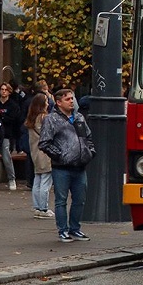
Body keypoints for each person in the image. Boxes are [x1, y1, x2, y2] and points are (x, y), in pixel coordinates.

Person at [38, 89, 95, 242]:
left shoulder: (79, 117)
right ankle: (63, 230)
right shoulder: (51, 119)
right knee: (61, 200)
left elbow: (87, 137)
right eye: (68, 99)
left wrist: (90, 151)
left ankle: (75, 229)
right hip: (62, 168)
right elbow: (44, 142)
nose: (72, 101)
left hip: (80, 166)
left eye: (72, 98)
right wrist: (59, 155)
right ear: (58, 102)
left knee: (79, 200)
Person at [22, 92, 54, 219]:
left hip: (35, 152)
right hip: (45, 154)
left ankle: (36, 206)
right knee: (46, 181)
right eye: (46, 101)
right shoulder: (44, 117)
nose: (47, 103)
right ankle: (43, 208)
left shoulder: (31, 118)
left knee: (37, 180)